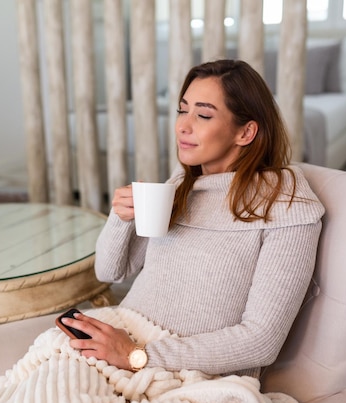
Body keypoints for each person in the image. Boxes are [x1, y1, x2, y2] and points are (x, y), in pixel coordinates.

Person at [61, 59, 325, 378]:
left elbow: (262, 341)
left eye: (203, 115)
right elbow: (111, 271)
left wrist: (137, 356)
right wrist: (120, 218)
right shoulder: (182, 184)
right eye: (182, 110)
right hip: (126, 340)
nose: (183, 126)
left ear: (246, 132)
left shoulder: (285, 204)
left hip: (181, 373)